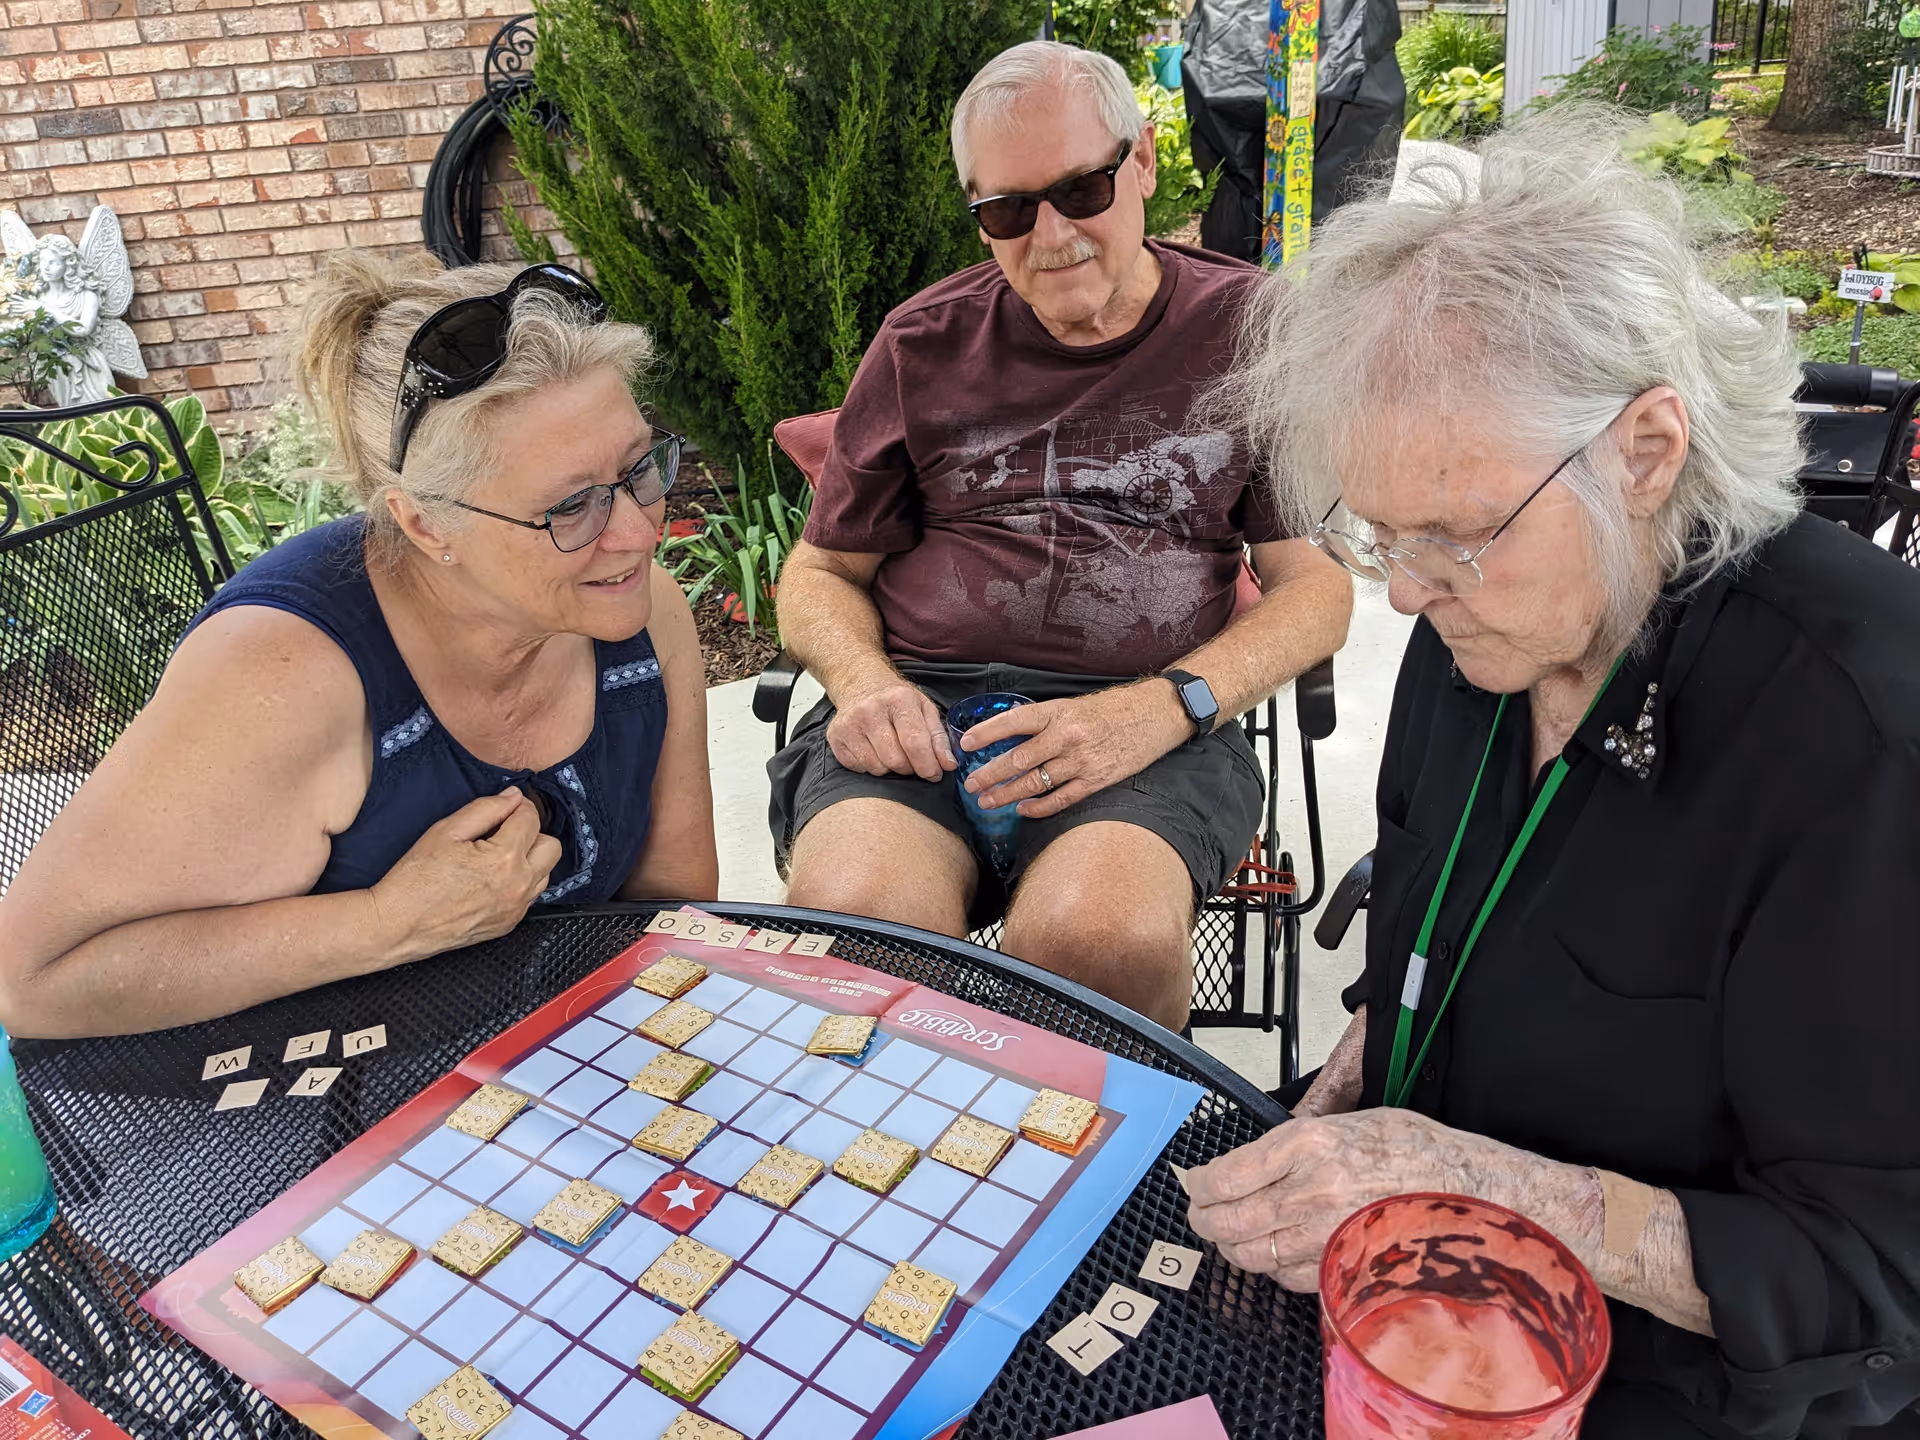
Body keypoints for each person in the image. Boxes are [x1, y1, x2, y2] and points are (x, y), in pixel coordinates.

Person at [1185, 115, 1920, 1438]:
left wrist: (1470, 1182)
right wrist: (1355, 1087)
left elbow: (1878, 1284)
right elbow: (1431, 939)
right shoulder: (1478, 616)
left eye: (1455, 536)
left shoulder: (1866, 740)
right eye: (1378, 530)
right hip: (1414, 1326)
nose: (1403, 591)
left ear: (1647, 451)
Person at [769, 40, 1352, 1031]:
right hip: (927, 713)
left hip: (1148, 723)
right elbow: (821, 570)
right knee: (856, 936)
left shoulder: (1250, 331)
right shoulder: (922, 343)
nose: (1051, 235)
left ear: (1146, 164)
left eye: (1083, 189)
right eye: (1006, 210)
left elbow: (1317, 589)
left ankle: (1110, 1187)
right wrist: (866, 685)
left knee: (1099, 943)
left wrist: (1165, 708)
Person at [0, 255, 717, 1039]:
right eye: (572, 505)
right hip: (291, 1107)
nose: (640, 530)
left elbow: (677, 912)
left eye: (639, 467)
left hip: (545, 1078)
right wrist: (385, 923)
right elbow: (37, 983)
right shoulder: (283, 671)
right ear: (424, 524)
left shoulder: (645, 619)